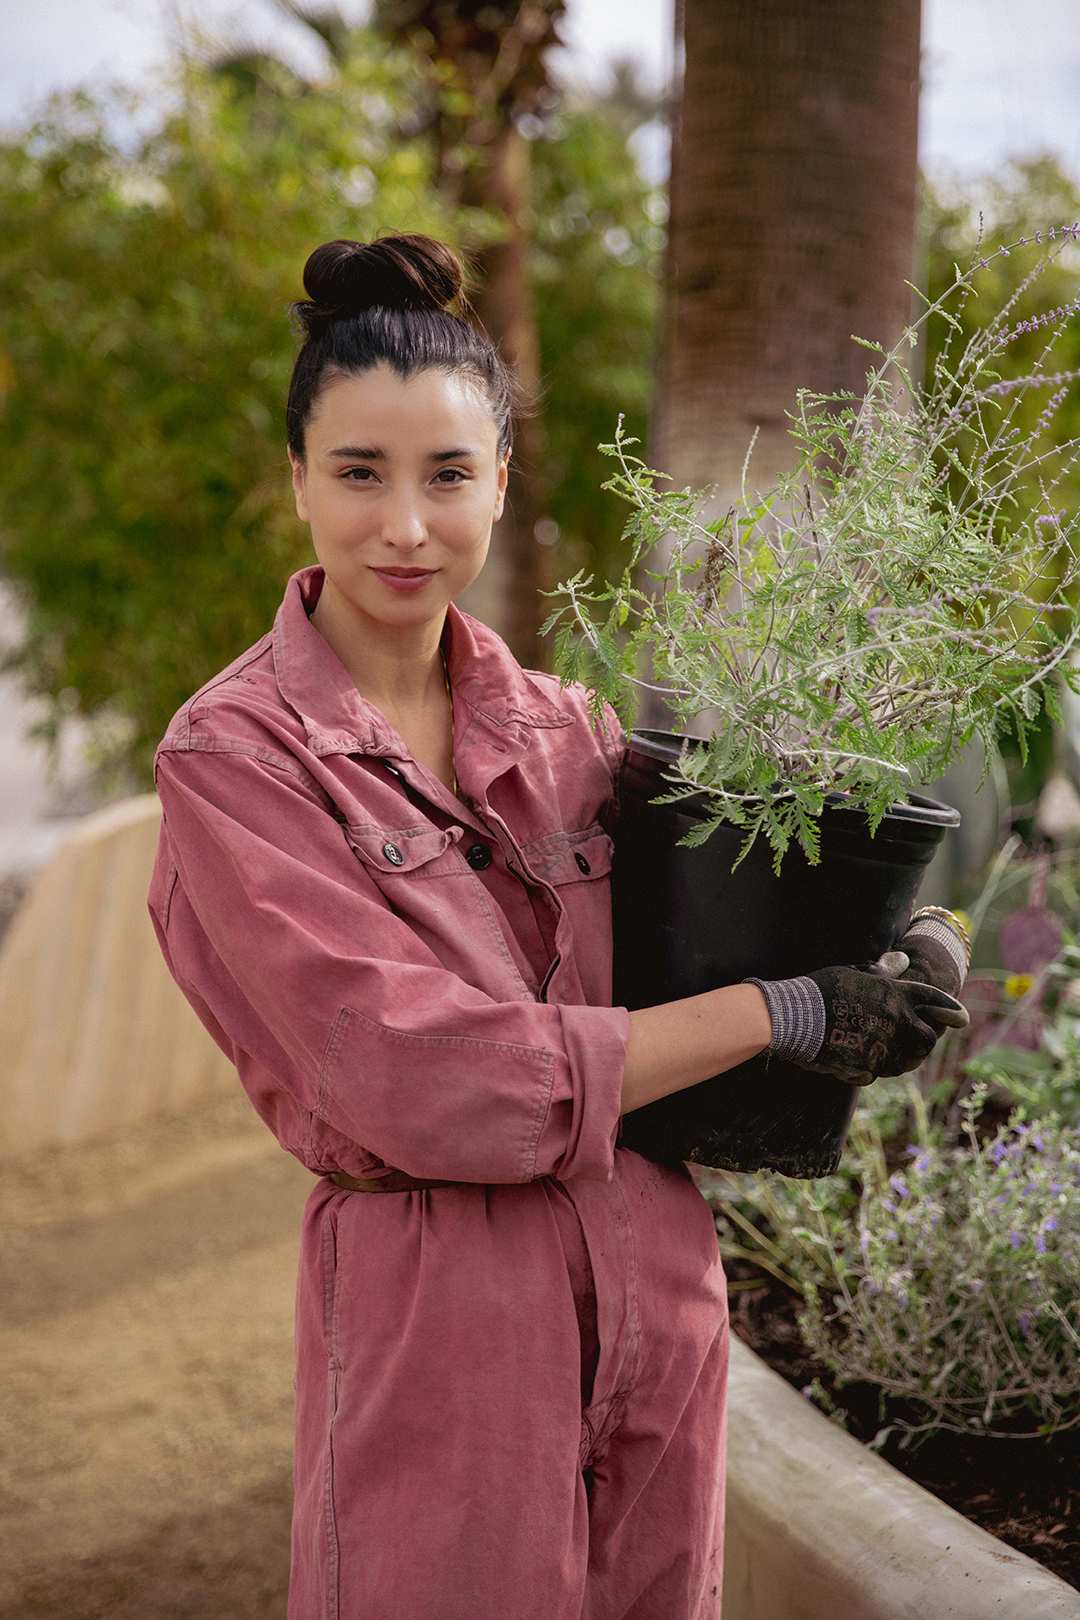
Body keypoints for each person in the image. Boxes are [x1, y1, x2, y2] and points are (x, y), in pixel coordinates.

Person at [148, 234, 968, 1620]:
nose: (406, 525)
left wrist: (896, 937)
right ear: (296, 481)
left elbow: (718, 932)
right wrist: (790, 1011)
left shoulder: (570, 727)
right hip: (444, 1315)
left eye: (449, 475)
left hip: (660, 1282)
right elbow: (422, 1080)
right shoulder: (237, 759)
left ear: (503, 486)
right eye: (359, 473)